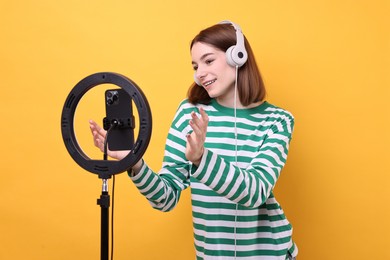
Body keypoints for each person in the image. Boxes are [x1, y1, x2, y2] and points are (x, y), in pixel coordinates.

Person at [90, 20, 298, 260]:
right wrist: (133, 162)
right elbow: (165, 199)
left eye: (209, 61)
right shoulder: (189, 113)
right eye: (195, 65)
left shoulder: (278, 120)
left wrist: (201, 159)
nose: (200, 73)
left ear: (237, 56)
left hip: (269, 254)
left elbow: (255, 192)